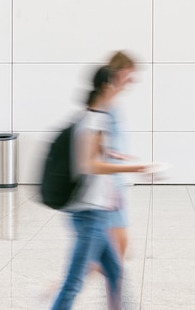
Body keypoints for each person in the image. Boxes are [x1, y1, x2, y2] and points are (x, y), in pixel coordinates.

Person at [52, 66, 147, 310]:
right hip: (89, 214)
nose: (120, 90)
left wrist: (114, 154)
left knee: (115, 273)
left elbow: (89, 153)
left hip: (97, 214)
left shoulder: (89, 116)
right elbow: (88, 164)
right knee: (73, 284)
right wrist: (132, 169)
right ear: (106, 86)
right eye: (117, 84)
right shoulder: (95, 119)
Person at [105, 51, 137, 259]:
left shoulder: (112, 102)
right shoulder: (105, 102)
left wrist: (119, 155)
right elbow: (90, 140)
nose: (132, 80)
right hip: (108, 184)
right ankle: (57, 289)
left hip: (114, 181)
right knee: (117, 249)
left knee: (116, 249)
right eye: (128, 74)